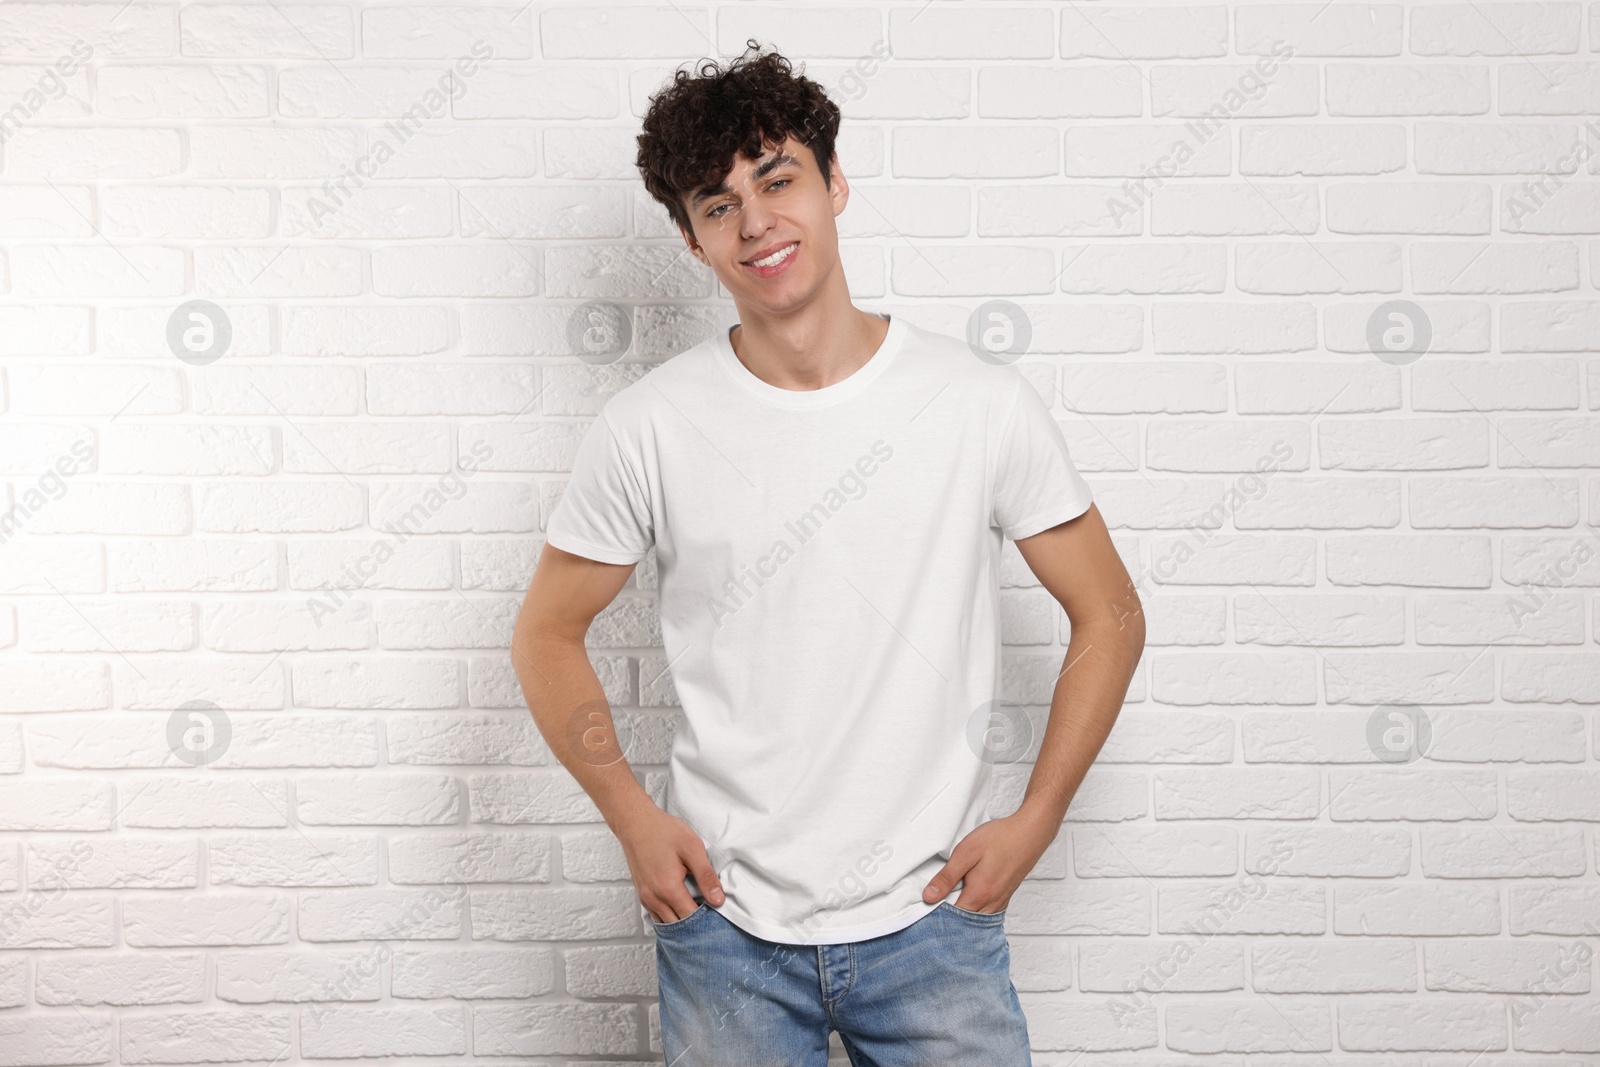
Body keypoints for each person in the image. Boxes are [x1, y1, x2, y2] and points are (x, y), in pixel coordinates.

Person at [511, 40, 1144, 1067]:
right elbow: (545, 631)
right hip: (726, 931)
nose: (757, 221)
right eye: (717, 205)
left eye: (777, 178)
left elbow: (1109, 615)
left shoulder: (977, 402)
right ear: (691, 240)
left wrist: (1037, 816)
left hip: (936, 921)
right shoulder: (647, 427)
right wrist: (631, 816)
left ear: (834, 181)